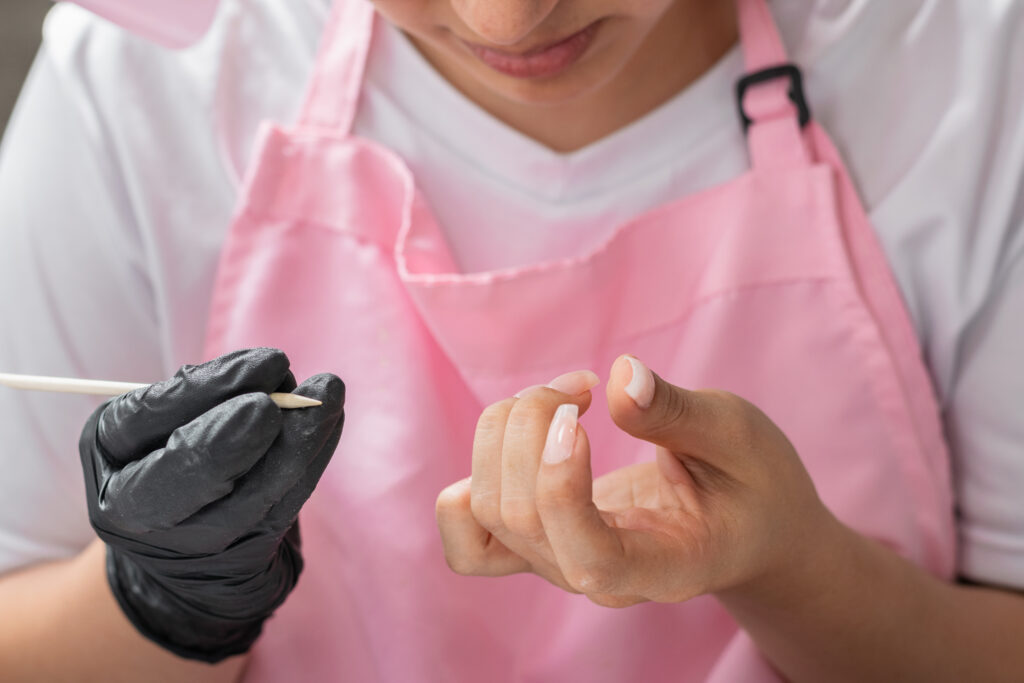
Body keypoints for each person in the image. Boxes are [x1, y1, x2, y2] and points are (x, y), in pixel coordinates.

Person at [0, 0, 1022, 681]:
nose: (508, 18)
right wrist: (164, 600)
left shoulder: (961, 72)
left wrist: (790, 565)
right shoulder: (150, 78)